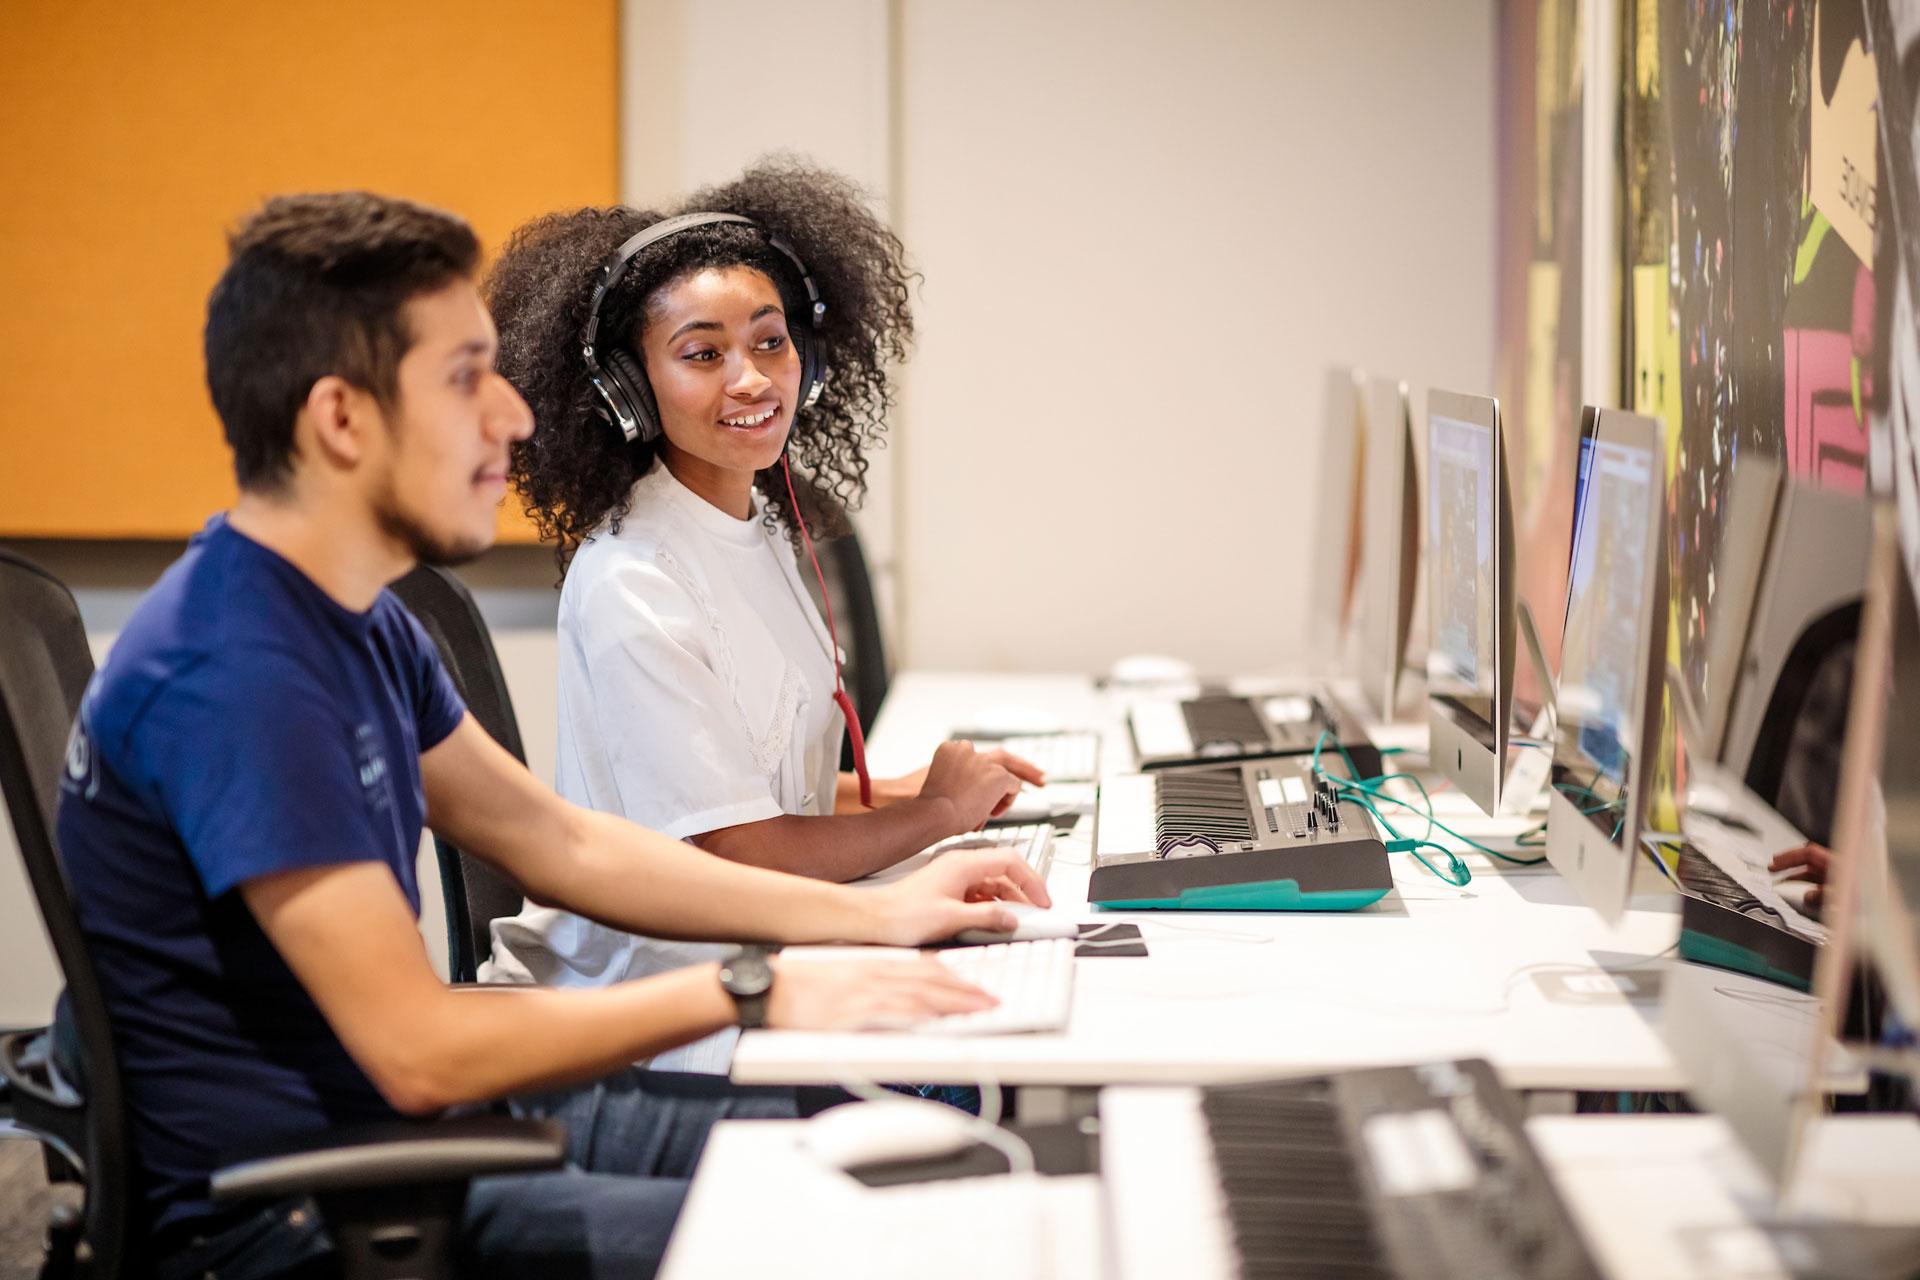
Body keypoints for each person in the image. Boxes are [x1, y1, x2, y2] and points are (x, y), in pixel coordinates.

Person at [54, 190, 1047, 1280]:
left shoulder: (350, 616)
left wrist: (882, 913)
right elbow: (420, 1048)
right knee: (882, 1242)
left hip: (409, 1148)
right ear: (342, 419)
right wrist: (757, 987)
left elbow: (564, 845)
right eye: (463, 378)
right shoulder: (237, 667)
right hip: (298, 1215)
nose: (515, 416)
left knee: (934, 1175)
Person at [477, 158, 1042, 1071]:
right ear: (628, 390)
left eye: (771, 343)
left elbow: (759, 786)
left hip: (769, 966)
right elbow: (737, 850)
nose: (752, 380)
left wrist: (912, 794)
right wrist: (936, 816)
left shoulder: (764, 525)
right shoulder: (637, 578)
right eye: (703, 354)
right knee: (976, 1078)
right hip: (663, 1025)